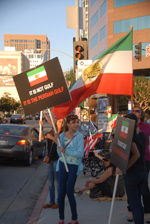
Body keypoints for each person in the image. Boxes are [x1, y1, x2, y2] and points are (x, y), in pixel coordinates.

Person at [56, 114, 84, 224]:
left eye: (77, 122)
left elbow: (80, 153)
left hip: (74, 165)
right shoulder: (62, 135)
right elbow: (59, 153)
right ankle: (61, 219)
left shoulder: (79, 136)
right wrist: (58, 141)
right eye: (73, 122)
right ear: (68, 124)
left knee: (69, 191)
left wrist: (65, 151)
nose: (76, 124)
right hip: (63, 164)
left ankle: (74, 219)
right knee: (61, 192)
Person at [127, 106, 150, 223]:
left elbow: (135, 154)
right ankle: (135, 214)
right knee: (135, 200)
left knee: (137, 199)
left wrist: (125, 167)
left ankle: (144, 215)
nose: (135, 112)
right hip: (139, 169)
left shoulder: (136, 134)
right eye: (133, 111)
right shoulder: (137, 133)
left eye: (137, 111)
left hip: (138, 166)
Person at [39, 117, 65, 209]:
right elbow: (42, 138)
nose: (61, 123)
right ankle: (51, 201)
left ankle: (58, 202)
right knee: (50, 182)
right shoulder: (51, 131)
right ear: (56, 122)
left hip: (58, 159)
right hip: (50, 160)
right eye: (59, 121)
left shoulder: (63, 133)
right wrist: (41, 128)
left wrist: (53, 138)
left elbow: (61, 145)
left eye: (62, 122)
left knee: (58, 182)